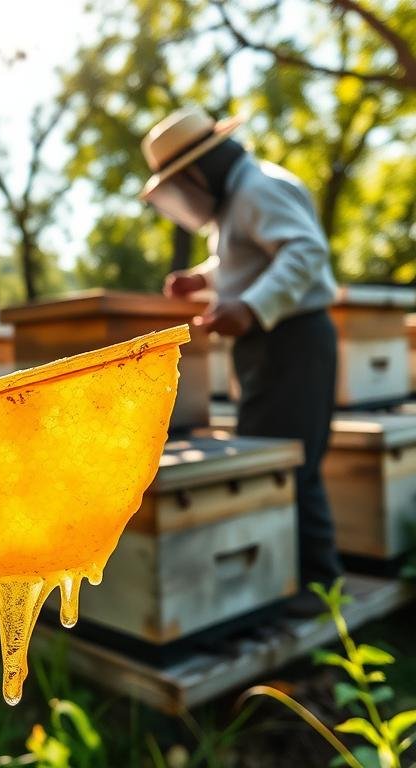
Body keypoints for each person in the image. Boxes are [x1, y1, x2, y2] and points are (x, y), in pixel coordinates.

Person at [139, 107, 343, 615]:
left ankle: (318, 587)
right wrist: (201, 280)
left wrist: (251, 308)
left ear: (194, 173)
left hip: (291, 341)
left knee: (288, 463)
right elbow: (244, 257)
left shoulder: (259, 189)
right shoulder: (239, 202)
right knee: (267, 458)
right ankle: (287, 580)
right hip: (270, 344)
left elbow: (304, 251)